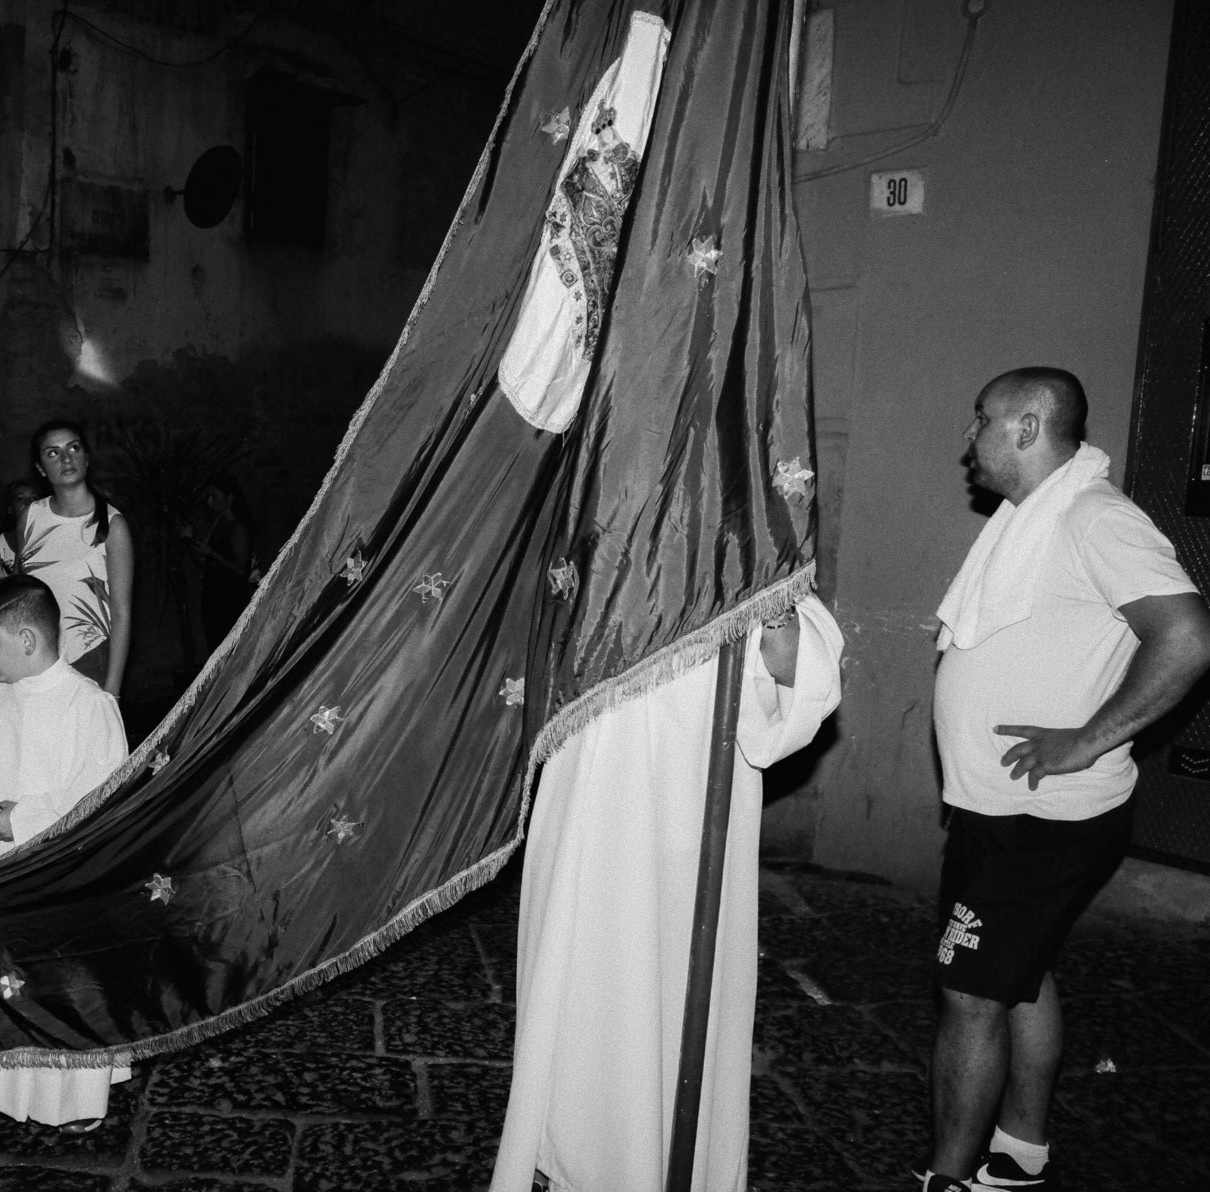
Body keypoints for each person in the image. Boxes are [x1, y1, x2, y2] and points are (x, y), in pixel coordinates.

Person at [919, 368, 1210, 1192]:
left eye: (981, 419)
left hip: (1043, 819)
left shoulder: (1095, 518)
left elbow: (1188, 637)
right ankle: (1022, 1152)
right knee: (1017, 977)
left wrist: (1088, 740)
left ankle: (945, 1180)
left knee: (970, 993)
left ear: (1027, 426)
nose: (968, 437)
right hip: (1001, 808)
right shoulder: (1035, 516)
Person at [490, 597, 844, 1192]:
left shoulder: (743, 556)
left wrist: (770, 603)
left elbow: (804, 678)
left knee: (673, 1003)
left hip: (687, 820)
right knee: (575, 997)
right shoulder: (582, 548)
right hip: (583, 812)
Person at [0, 575, 130, 1144]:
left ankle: (70, 1095)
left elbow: (99, 797)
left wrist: (24, 818)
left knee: (57, 981)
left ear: (26, 639)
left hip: (56, 874)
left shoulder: (89, 705)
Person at [0, 423, 132, 708]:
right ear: (40, 468)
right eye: (53, 453)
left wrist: (112, 691)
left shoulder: (111, 526)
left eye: (73, 448)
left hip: (90, 658)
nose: (66, 459)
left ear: (86, 458)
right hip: (37, 660)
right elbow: (20, 597)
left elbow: (121, 612)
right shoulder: (32, 516)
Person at [186, 472, 256, 650]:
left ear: (229, 498)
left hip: (230, 601)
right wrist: (190, 538)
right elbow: (205, 561)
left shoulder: (238, 528)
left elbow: (241, 570)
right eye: (208, 497)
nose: (210, 502)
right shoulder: (218, 525)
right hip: (214, 600)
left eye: (214, 496)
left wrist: (212, 554)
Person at [0, 476, 48, 581]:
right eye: (20, 499)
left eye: (34, 499)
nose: (28, 503)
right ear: (10, 508)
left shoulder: (51, 539)